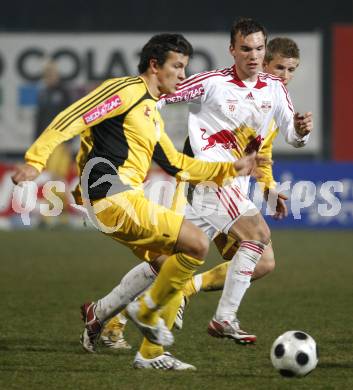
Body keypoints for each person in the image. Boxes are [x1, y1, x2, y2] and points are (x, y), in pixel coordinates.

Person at [12, 33, 261, 370]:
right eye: (177, 66)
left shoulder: (152, 113)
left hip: (121, 199)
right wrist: (35, 161)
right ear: (155, 66)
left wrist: (229, 168)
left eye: (185, 67)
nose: (183, 74)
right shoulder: (124, 90)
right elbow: (72, 117)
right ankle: (147, 328)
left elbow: (178, 165)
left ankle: (102, 318)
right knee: (196, 244)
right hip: (110, 195)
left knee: (166, 265)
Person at [97, 19, 312, 361]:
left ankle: (107, 317)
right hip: (210, 180)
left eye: (258, 48)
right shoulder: (212, 83)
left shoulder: (274, 90)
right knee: (257, 236)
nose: (253, 55)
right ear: (233, 50)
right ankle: (223, 317)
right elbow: (162, 95)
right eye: (246, 49)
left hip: (233, 189)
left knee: (170, 261)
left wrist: (301, 132)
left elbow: (290, 138)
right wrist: (138, 123)